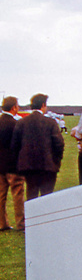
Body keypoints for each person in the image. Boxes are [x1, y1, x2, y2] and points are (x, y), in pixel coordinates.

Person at [11, 93, 64, 199]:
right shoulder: (51, 122)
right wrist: (56, 161)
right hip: (48, 166)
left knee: (31, 196)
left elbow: (15, 145)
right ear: (43, 105)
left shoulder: (22, 122)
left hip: (29, 166)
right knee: (47, 198)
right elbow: (59, 143)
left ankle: (31, 216)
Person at [0, 97, 25, 231]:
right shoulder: (16, 124)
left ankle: (2, 223)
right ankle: (20, 224)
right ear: (14, 107)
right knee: (18, 195)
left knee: (1, 196)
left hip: (0, 166)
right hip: (13, 166)